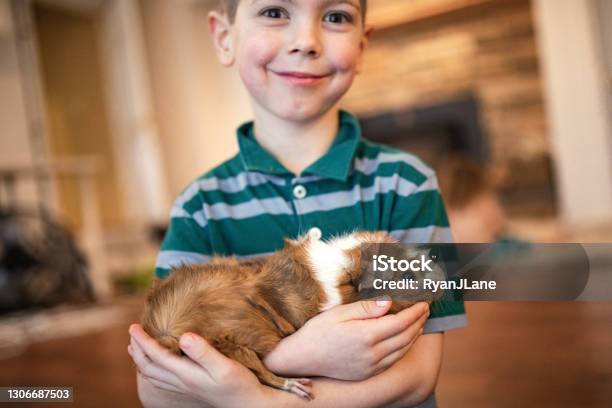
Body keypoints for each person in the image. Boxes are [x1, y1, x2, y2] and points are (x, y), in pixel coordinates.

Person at [128, 0, 467, 406]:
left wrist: (265, 400)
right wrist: (295, 355)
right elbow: (158, 390)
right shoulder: (199, 207)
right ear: (224, 38)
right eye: (274, 12)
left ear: (362, 45)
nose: (306, 41)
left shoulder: (408, 185)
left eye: (336, 16)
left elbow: (418, 375)